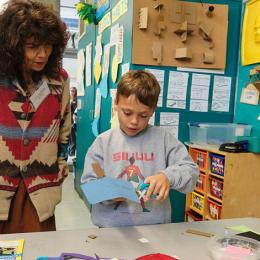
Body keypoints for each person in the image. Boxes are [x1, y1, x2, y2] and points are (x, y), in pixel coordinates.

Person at [81, 70, 199, 228]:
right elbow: (91, 185)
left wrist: (167, 177)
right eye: (127, 113)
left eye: (143, 115)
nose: (134, 122)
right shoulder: (103, 143)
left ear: (152, 111)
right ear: (116, 103)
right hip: (111, 231)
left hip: (156, 229)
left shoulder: (163, 139)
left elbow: (190, 172)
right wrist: (111, 191)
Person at [0, 0, 71, 233]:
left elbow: (64, 131)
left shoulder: (59, 81)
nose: (43, 54)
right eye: (33, 47)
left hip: (41, 191)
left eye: (49, 46)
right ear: (14, 45)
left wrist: (59, 169)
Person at [68, 87, 77, 157]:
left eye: (73, 91)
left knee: (72, 137)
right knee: (69, 137)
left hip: (73, 121)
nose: (72, 92)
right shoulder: (68, 99)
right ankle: (69, 151)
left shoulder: (76, 100)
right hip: (67, 120)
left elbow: (75, 111)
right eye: (71, 91)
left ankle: (72, 152)